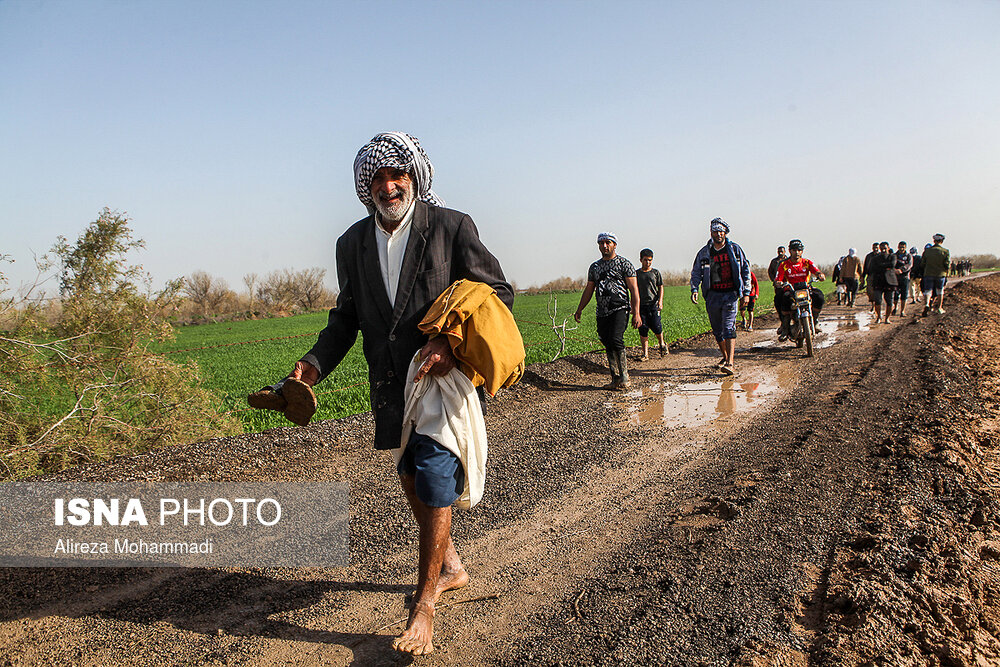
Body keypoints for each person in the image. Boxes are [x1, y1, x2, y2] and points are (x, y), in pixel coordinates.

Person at [247, 132, 512, 656]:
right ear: (363, 187)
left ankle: (424, 604)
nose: (389, 186)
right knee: (411, 474)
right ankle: (451, 564)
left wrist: (446, 339)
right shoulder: (352, 243)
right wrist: (311, 367)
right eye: (378, 179)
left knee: (435, 472)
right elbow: (347, 317)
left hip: (447, 376)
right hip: (393, 381)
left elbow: (497, 291)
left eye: (398, 176)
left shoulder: (451, 227)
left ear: (415, 177)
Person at [574, 233, 641, 389]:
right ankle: (615, 378)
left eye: (608, 243)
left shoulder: (625, 264)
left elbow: (634, 289)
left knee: (616, 338)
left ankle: (625, 377)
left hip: (620, 307)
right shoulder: (595, 267)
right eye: (601, 243)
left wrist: (636, 312)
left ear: (614, 245)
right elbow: (589, 289)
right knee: (606, 341)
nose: (604, 246)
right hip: (602, 311)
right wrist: (580, 309)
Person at [690, 218, 751, 376]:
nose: (718, 234)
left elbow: (745, 270)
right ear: (711, 232)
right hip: (713, 296)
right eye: (715, 231)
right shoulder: (704, 252)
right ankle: (725, 357)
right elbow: (696, 272)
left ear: (725, 233)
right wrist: (694, 289)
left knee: (728, 327)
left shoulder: (735, 250)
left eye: (721, 231)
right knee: (717, 330)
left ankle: (730, 362)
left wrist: (746, 292)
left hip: (730, 294)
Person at [774, 239, 826, 337]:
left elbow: (816, 271)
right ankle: (785, 326)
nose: (797, 252)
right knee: (780, 298)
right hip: (791, 290)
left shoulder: (807, 262)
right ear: (790, 251)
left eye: (799, 250)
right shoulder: (784, 264)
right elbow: (778, 278)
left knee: (819, 296)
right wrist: (778, 282)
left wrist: (820, 275)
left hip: (805, 288)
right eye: (794, 250)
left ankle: (815, 321)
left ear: (802, 251)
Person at [635, 248, 667, 359]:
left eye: (650, 260)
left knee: (656, 326)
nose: (647, 262)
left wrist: (660, 301)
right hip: (641, 305)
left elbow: (660, 287)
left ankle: (662, 344)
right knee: (643, 328)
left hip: (653, 304)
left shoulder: (655, 273)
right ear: (640, 260)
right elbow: (633, 290)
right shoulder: (636, 274)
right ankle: (645, 354)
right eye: (645, 260)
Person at [922, 233, 951, 316]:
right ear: (942, 241)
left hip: (928, 273)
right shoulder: (945, 251)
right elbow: (947, 264)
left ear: (934, 240)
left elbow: (923, 263)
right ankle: (939, 307)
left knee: (928, 291)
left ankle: (927, 304)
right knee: (940, 290)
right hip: (940, 274)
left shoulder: (927, 251)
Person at [870, 241, 897, 324]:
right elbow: (873, 268)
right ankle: (878, 317)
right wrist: (886, 266)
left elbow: (892, 265)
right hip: (878, 281)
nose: (883, 250)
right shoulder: (875, 258)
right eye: (881, 249)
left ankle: (887, 318)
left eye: (885, 248)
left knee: (889, 301)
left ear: (888, 248)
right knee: (877, 300)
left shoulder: (893, 256)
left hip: (890, 281)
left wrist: (881, 266)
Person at [892, 241, 912, 316]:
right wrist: (894, 270)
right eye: (900, 247)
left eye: (903, 247)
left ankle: (902, 311)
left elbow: (909, 265)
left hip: (905, 277)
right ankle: (895, 307)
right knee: (895, 294)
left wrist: (902, 270)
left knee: (904, 295)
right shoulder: (894, 255)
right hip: (895, 277)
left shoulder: (908, 256)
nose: (901, 248)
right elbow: (892, 263)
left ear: (905, 247)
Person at [861, 242, 880, 313]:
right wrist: (863, 276)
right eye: (874, 247)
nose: (875, 249)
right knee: (870, 291)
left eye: (877, 247)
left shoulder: (881, 255)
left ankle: (877, 306)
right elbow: (865, 267)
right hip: (870, 275)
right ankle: (872, 304)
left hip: (879, 276)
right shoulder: (869, 256)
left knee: (877, 292)